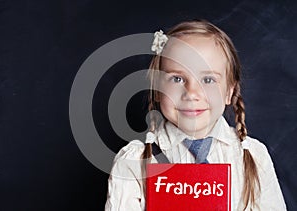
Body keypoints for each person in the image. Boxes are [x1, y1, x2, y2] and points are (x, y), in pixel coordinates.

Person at [104, 19, 286, 210]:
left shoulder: (253, 156)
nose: (191, 93)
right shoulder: (134, 162)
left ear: (229, 92)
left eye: (208, 79)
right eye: (177, 78)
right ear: (157, 88)